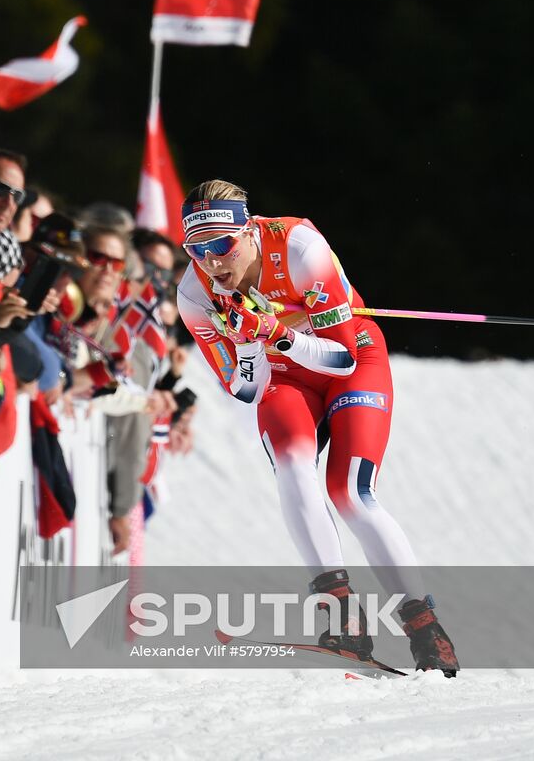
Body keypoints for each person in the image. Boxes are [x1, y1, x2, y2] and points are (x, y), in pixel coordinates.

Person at [176, 179, 459, 675]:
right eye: (197, 249)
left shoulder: (301, 246)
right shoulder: (194, 295)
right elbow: (242, 389)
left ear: (249, 232)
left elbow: (342, 357)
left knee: (349, 491)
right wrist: (246, 348)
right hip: (282, 377)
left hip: (352, 362)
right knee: (292, 467)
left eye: (221, 244)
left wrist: (276, 334)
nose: (212, 261)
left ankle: (424, 627)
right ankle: (342, 613)